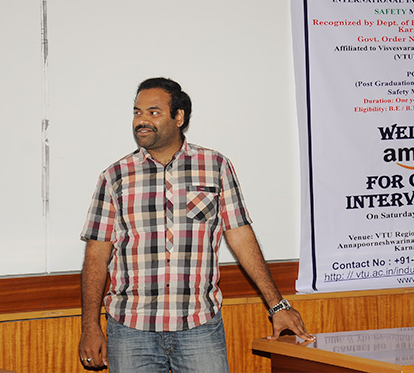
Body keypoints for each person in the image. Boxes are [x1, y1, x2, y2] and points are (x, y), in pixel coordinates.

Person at [78, 77, 313, 372]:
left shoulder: (215, 166)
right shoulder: (115, 177)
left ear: (179, 117)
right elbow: (96, 255)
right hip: (130, 330)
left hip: (199, 327)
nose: (141, 121)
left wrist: (277, 305)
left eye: (153, 112)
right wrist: (90, 326)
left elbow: (240, 236)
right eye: (137, 112)